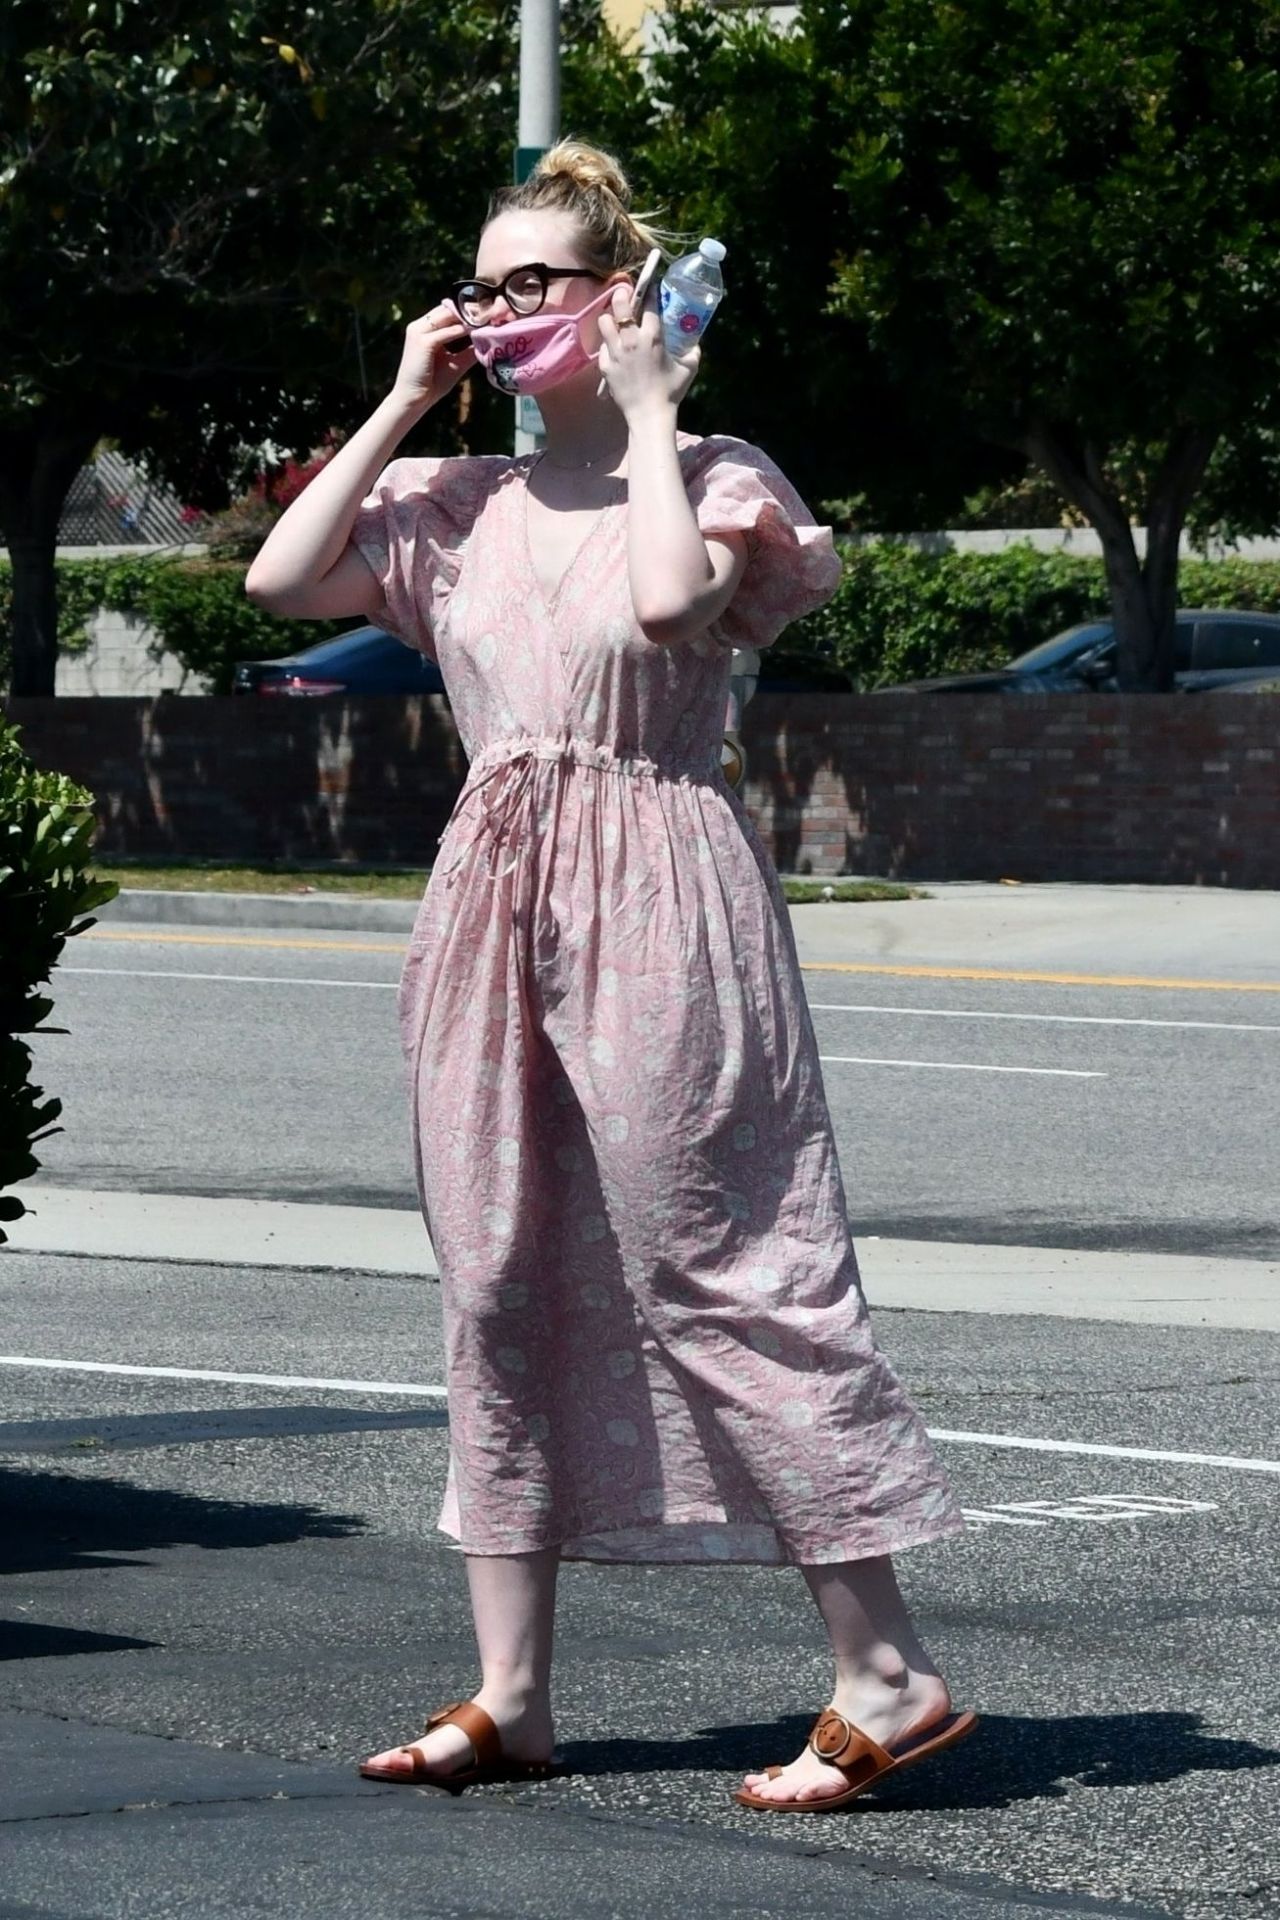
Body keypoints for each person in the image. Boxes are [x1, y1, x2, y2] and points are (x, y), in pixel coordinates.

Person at [245, 139, 975, 1813]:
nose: (496, 310)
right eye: (480, 284)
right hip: (488, 893)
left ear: (620, 297)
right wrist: (398, 402)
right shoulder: (450, 505)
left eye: (532, 284)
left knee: (722, 1260)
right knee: (492, 1270)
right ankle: (513, 1694)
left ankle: (888, 1666)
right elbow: (280, 582)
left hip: (658, 878)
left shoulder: (714, 477)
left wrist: (652, 412)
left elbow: (664, 614)